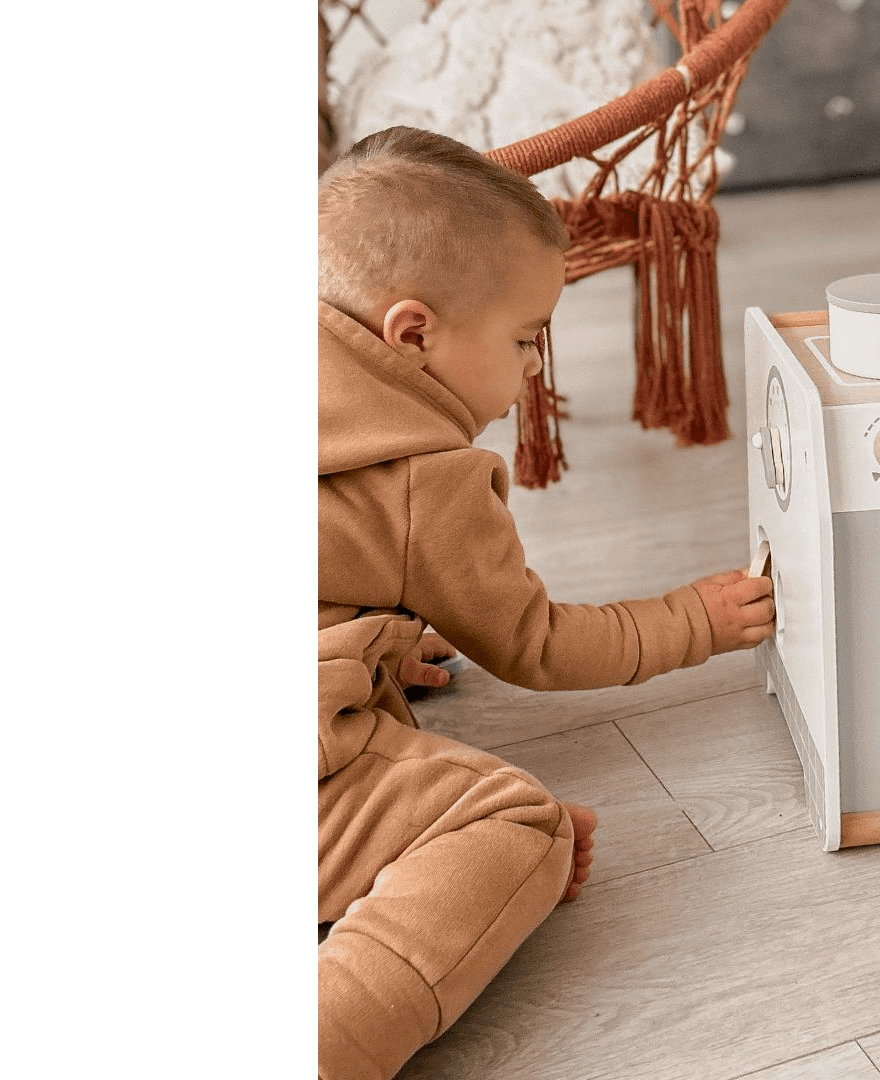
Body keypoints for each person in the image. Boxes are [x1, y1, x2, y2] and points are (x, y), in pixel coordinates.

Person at [316, 126, 775, 1080]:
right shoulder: (425, 479)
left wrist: (371, 640)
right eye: (526, 340)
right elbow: (540, 646)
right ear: (413, 334)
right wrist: (695, 618)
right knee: (520, 827)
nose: (533, 369)